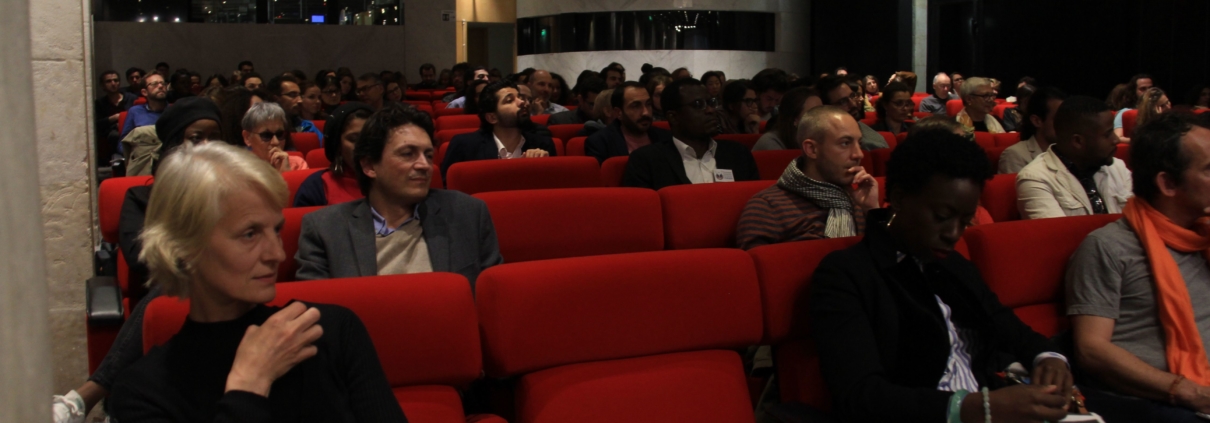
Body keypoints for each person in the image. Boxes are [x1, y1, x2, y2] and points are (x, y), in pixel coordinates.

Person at [105, 142, 406, 422]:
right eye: (249, 234)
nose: (278, 254)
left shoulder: (332, 331)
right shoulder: (141, 393)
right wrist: (249, 386)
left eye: (276, 230)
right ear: (183, 247)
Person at [810, 128, 1074, 423]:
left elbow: (1011, 328)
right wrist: (978, 408)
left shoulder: (953, 265)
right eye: (942, 217)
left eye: (965, 220)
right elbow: (861, 395)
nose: (954, 234)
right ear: (898, 198)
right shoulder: (847, 274)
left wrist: (1049, 358)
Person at [52, 97, 227, 423]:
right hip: (172, 290)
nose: (207, 146)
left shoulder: (235, 192)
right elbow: (139, 257)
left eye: (214, 137)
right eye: (196, 138)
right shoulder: (143, 197)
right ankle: (93, 397)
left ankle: (89, 397)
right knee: (176, 282)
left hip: (229, 291)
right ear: (174, 145)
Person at [1067, 113, 1210, 423]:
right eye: (1209, 169)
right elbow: (1091, 350)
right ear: (1168, 183)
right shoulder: (1109, 247)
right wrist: (1189, 392)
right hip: (1165, 401)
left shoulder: (1204, 237)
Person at [295, 102, 503, 286]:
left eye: (428, 155)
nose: (424, 165)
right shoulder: (325, 229)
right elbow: (318, 309)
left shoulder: (467, 213)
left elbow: (491, 298)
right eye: (408, 154)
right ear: (369, 166)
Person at [737, 106, 877, 250]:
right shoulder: (767, 208)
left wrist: (872, 210)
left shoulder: (859, 200)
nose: (859, 154)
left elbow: (884, 258)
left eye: (859, 143)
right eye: (845, 143)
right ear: (811, 149)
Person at [621, 78, 759, 190]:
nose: (710, 110)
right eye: (698, 104)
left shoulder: (739, 154)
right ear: (673, 117)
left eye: (711, 102)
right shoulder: (647, 161)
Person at [1017, 95, 1131, 219]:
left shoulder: (1118, 167)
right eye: (1107, 134)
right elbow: (1060, 231)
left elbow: (1139, 222)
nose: (1116, 140)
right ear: (1078, 141)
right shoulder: (1035, 179)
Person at [440, 81, 557, 178]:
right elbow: (447, 188)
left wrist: (543, 165)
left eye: (519, 97)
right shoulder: (465, 146)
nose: (522, 102)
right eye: (509, 100)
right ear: (492, 117)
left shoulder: (543, 144)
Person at [294, 103, 373, 207]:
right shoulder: (316, 187)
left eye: (371, 137)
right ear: (337, 145)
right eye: (354, 139)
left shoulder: (391, 180)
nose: (364, 146)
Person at [584, 81, 673, 164]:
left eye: (648, 104)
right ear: (619, 113)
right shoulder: (600, 142)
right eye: (636, 106)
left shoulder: (666, 138)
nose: (645, 112)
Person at [1000, 87, 1067, 174]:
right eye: (1058, 119)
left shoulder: (1068, 152)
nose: (1065, 125)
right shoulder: (1015, 155)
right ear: (1037, 121)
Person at [817, 75, 888, 150]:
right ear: (827, 108)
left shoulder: (875, 142)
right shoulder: (825, 146)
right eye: (843, 102)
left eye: (852, 96)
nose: (853, 104)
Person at [241, 102, 308, 172]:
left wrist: (287, 175)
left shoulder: (298, 164)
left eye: (280, 134)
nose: (276, 142)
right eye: (266, 135)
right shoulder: (238, 170)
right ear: (247, 138)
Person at [753, 87, 823, 150]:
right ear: (795, 119)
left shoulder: (818, 140)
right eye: (813, 114)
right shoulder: (771, 142)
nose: (821, 118)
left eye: (821, 112)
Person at [268, 75, 323, 144]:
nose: (300, 101)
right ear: (276, 99)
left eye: (299, 95)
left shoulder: (307, 126)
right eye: (293, 95)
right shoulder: (262, 128)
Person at [95, 70, 135, 161]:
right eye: (108, 81)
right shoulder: (100, 103)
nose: (113, 84)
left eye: (116, 80)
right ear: (102, 85)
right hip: (110, 137)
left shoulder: (131, 98)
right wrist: (114, 118)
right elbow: (97, 124)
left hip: (130, 131)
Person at [120, 73, 169, 140]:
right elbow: (124, 140)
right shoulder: (135, 111)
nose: (161, 86)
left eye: (163, 83)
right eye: (154, 84)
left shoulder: (175, 111)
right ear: (144, 92)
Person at [1115, 74, 1155, 143]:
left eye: (1151, 88)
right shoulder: (1125, 112)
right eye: (1143, 89)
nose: (1148, 92)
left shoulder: (1159, 109)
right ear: (1134, 92)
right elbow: (1117, 137)